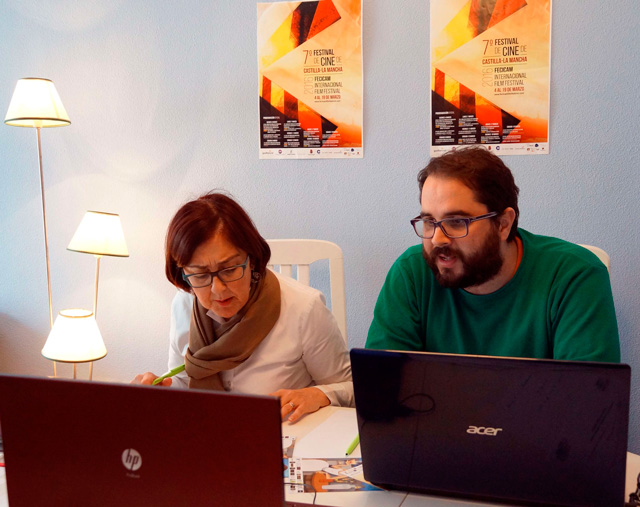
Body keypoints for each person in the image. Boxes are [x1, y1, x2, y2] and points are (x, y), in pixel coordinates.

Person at [366, 147, 620, 362]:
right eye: (429, 222)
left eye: (457, 222)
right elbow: (382, 386)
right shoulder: (411, 273)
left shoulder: (574, 276)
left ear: (503, 224)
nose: (437, 239)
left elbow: (586, 399)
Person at [133, 191, 353, 422]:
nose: (218, 289)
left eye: (229, 269)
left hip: (283, 436)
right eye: (199, 275)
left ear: (253, 259)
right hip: (207, 433)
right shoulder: (183, 305)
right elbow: (186, 380)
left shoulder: (304, 308)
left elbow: (351, 388)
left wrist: (318, 394)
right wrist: (160, 389)